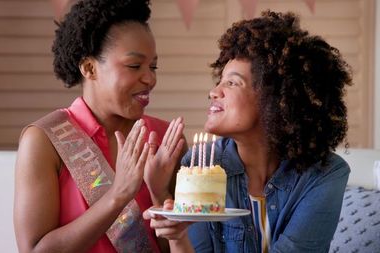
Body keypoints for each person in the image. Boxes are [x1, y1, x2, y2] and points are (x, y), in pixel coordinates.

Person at [144, 10, 352, 253]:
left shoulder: (324, 174)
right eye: (219, 80)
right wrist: (178, 236)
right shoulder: (200, 167)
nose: (214, 91)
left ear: (274, 100)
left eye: (232, 83)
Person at [13, 0, 186, 252]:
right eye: (134, 66)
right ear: (89, 68)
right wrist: (118, 195)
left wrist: (161, 195)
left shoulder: (164, 139)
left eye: (153, 66)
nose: (150, 78)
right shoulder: (44, 140)